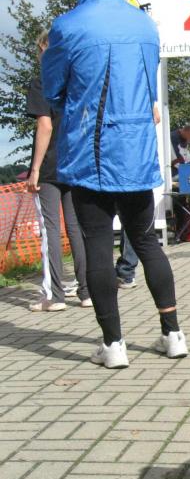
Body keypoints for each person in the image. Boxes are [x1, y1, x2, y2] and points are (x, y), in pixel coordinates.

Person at [41, 0, 188, 369]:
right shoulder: (145, 25)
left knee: (98, 245)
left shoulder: (67, 26)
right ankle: (173, 335)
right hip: (136, 153)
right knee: (146, 241)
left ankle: (114, 344)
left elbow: (52, 89)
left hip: (90, 156)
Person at [26, 29, 91, 312]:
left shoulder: (41, 82)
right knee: (76, 228)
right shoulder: (76, 83)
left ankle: (55, 296)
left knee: (50, 228)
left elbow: (45, 126)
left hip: (51, 165)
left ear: (44, 50)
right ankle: (86, 292)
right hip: (75, 163)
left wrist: (35, 169)